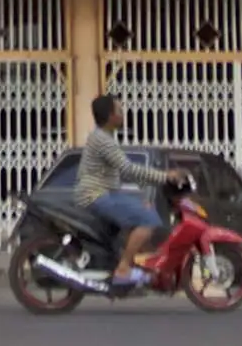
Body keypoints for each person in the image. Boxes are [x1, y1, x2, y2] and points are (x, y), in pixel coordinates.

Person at [62, 92, 187, 284]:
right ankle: (124, 269)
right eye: (119, 110)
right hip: (96, 196)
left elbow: (124, 172)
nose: (123, 113)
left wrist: (145, 192)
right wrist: (165, 176)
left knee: (143, 210)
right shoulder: (102, 140)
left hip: (105, 193)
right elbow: (127, 168)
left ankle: (137, 264)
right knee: (148, 220)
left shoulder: (105, 137)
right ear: (111, 116)